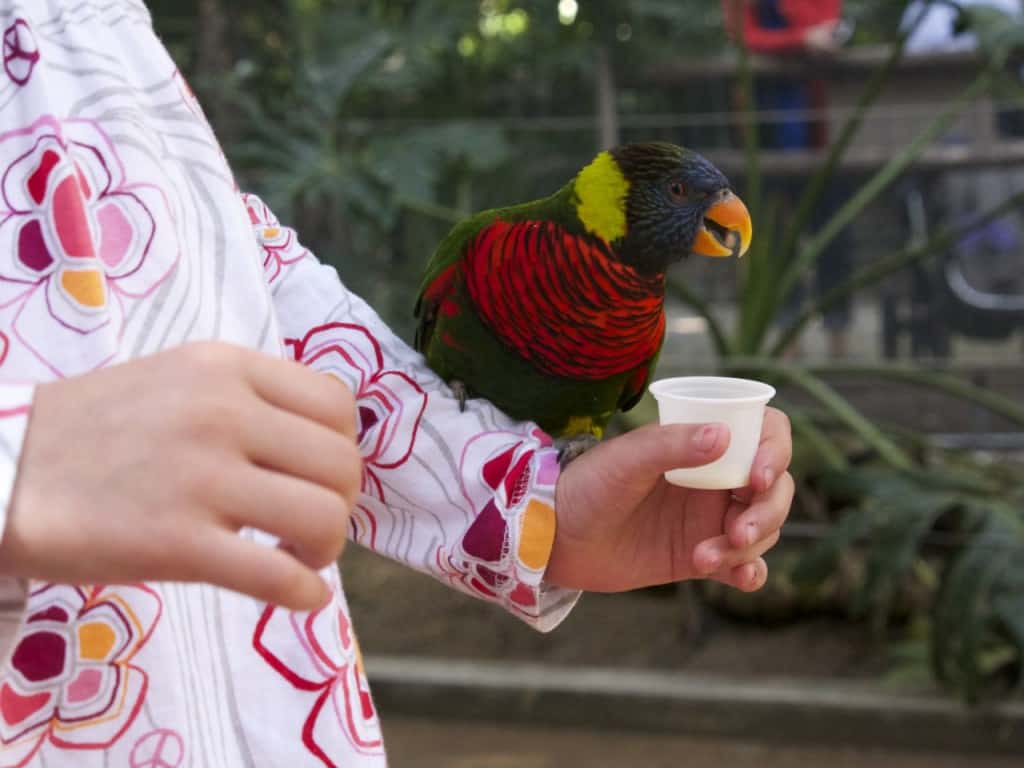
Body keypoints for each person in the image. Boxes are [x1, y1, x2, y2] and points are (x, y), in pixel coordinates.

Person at [0, 1, 794, 766]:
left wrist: (538, 505)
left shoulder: (104, 31)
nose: (714, 210)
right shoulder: (493, 251)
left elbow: (272, 305)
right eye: (680, 196)